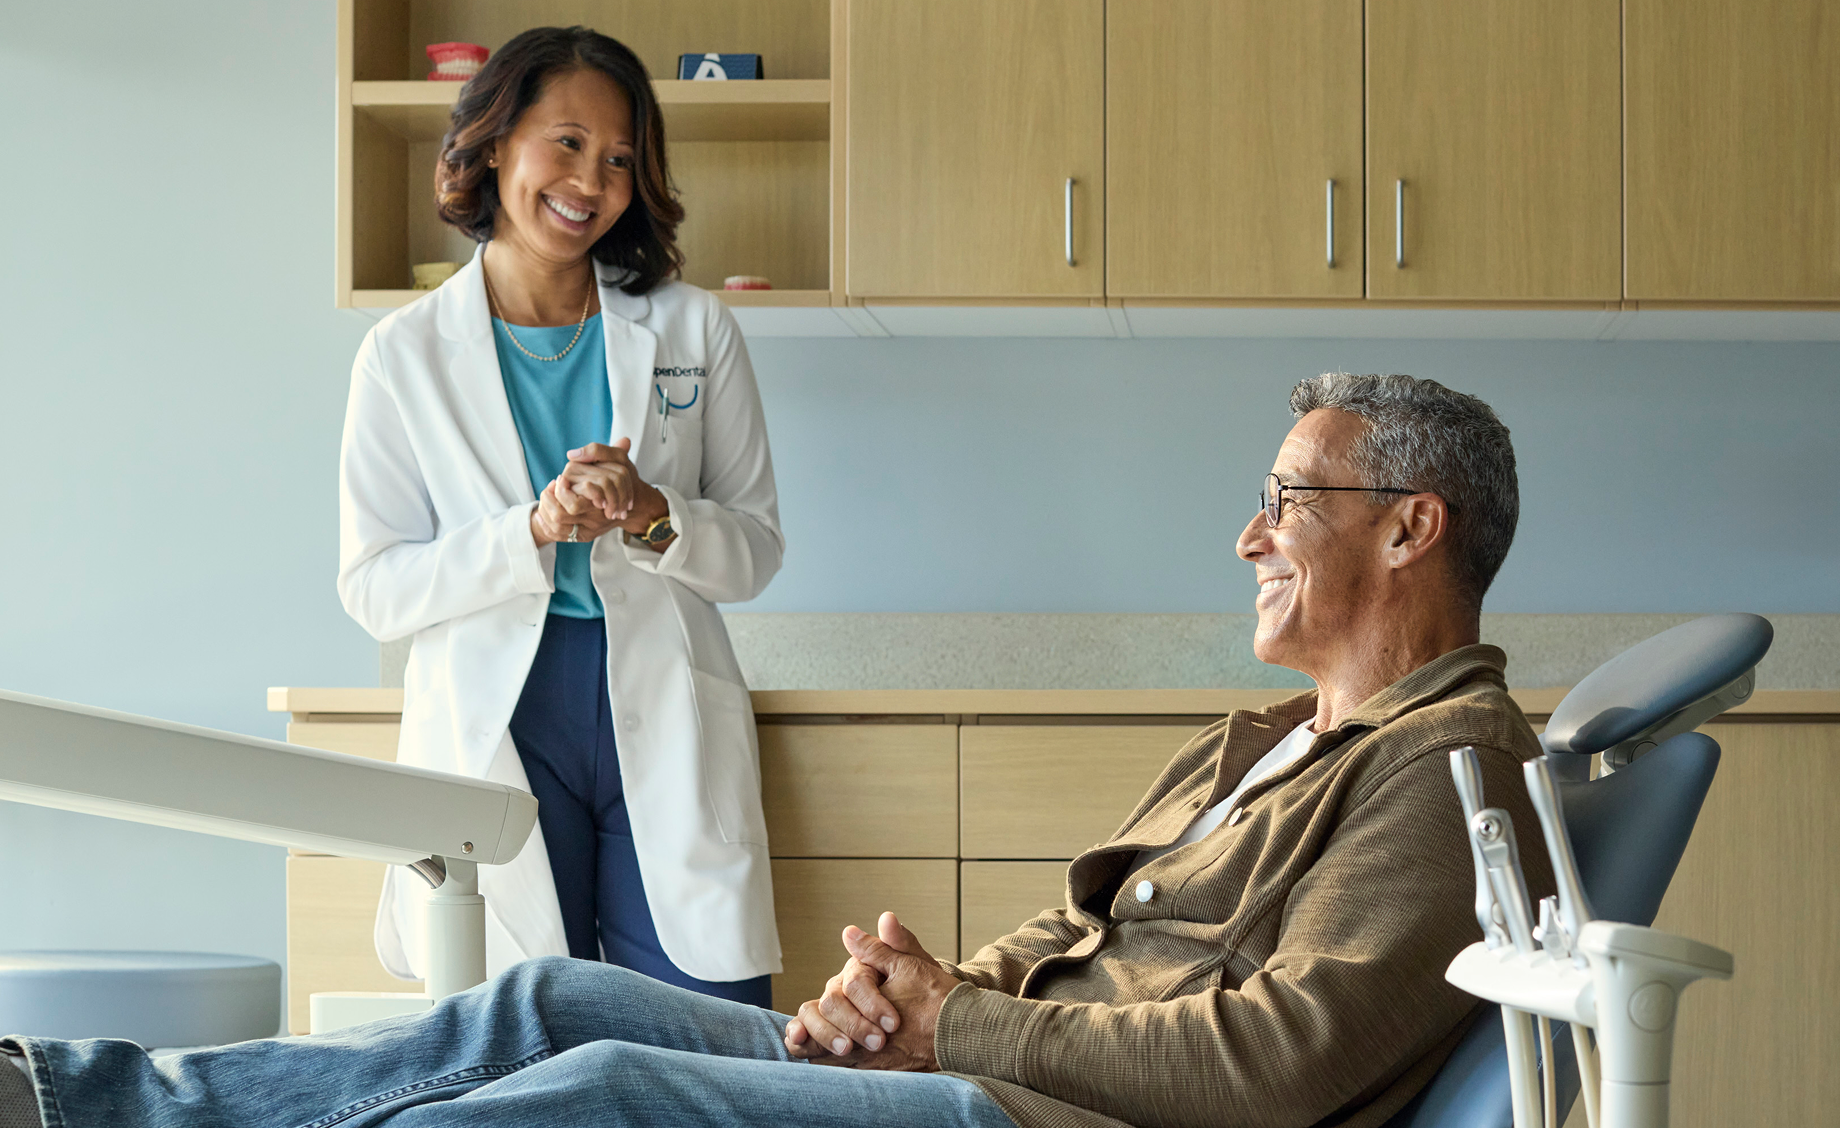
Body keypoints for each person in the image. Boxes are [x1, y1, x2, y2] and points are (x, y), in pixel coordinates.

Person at [1, 374, 1555, 1128]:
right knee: (551, 996)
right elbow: (1081, 938)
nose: (1249, 533)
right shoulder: (1280, 737)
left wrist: (960, 1032)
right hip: (992, 1074)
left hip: (1048, 1121)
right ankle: (72, 1101)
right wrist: (900, 998)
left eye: (1286, 500)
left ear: (1410, 528)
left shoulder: (1449, 767)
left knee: (611, 1085)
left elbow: (1285, 1066)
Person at [335, 27, 783, 1005]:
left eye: (621, 157)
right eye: (568, 142)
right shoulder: (403, 354)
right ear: (495, 141)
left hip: (661, 706)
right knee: (521, 1042)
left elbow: (751, 550)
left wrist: (650, 513)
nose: (594, 178)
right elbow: (375, 587)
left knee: (713, 1040)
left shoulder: (690, 327)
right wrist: (528, 532)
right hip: (501, 719)